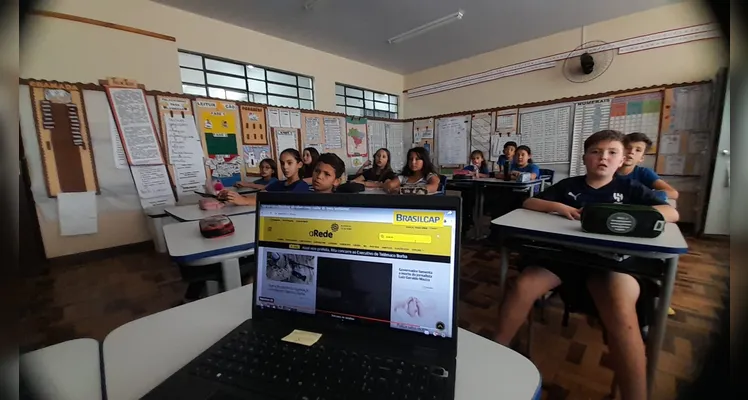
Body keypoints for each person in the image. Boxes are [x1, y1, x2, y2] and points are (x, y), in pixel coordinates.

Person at [494, 130, 679, 400]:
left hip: (613, 265)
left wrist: (629, 215)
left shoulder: (631, 189)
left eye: (612, 153)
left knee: (622, 311)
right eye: (595, 152)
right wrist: (557, 206)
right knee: (523, 285)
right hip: (565, 258)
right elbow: (529, 201)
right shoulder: (570, 186)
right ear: (585, 158)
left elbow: (672, 213)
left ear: (622, 160)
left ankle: (635, 394)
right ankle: (496, 353)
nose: (603, 157)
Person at [220, 148, 309, 206]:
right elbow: (260, 196)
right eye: (282, 163)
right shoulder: (277, 184)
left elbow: (280, 200)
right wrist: (232, 196)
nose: (285, 167)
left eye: (289, 163)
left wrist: (244, 201)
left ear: (299, 164)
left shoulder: (302, 186)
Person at [618, 132, 679, 201]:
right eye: (628, 148)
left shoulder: (644, 173)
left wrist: (644, 194)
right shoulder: (609, 170)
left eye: (638, 150)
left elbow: (673, 193)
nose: (631, 152)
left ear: (641, 158)